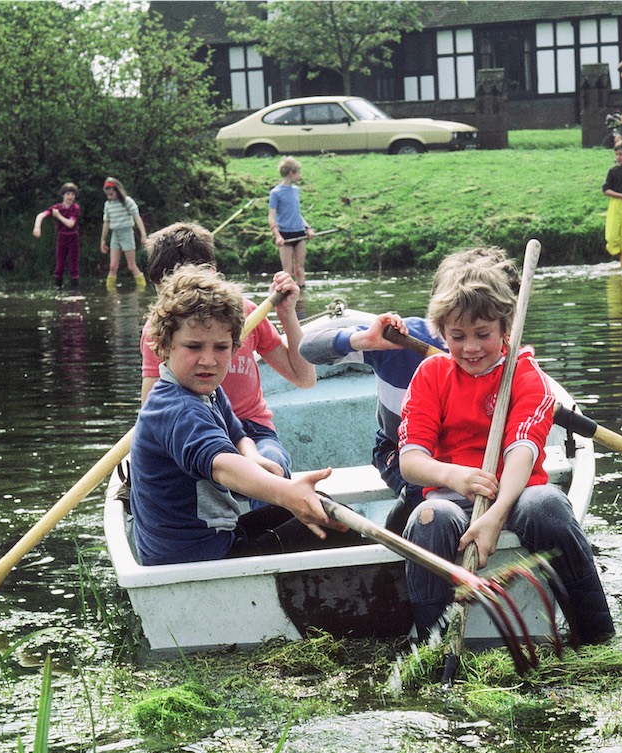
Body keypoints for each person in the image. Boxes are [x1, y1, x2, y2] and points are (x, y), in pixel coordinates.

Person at [396, 253, 615, 646]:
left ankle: (597, 637)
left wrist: (496, 516)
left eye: (483, 334)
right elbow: (411, 461)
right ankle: (431, 648)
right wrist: (454, 476)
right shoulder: (430, 375)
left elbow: (522, 451)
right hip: (454, 498)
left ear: (505, 327)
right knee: (429, 517)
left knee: (547, 506)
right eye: (457, 336)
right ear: (441, 333)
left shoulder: (525, 374)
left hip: (519, 495)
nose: (471, 348)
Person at [129, 265, 348, 566]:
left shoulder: (208, 391)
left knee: (324, 507)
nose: (208, 360)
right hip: (194, 561)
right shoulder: (175, 408)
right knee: (333, 530)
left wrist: (254, 457)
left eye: (221, 347)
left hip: (218, 538)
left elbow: (237, 435)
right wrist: (286, 493)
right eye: (193, 347)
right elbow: (221, 466)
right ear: (165, 347)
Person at [299, 247, 517, 532]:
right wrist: (363, 339)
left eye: (483, 328)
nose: (471, 346)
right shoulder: (400, 341)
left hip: (479, 450)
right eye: (459, 331)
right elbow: (307, 349)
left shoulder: (507, 356)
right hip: (401, 450)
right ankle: (393, 545)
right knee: (423, 489)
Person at [139, 222, 315, 484]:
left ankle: (268, 522)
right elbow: (151, 412)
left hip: (252, 430)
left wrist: (287, 315)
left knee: (271, 465)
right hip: (194, 428)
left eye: (221, 346)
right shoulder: (161, 330)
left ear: (210, 274)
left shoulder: (245, 314)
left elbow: (305, 378)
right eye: (163, 292)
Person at [268, 156, 314, 299]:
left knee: (300, 268)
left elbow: (297, 213)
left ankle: (302, 297)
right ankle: (287, 299)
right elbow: (271, 216)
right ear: (290, 173)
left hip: (299, 233)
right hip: (285, 235)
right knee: (287, 271)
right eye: (298, 173)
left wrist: (308, 228)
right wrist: (277, 236)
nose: (300, 176)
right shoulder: (275, 193)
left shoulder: (296, 190)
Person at [99, 177, 147, 290]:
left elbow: (137, 217)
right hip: (115, 235)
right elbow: (106, 223)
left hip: (127, 234)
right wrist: (103, 240)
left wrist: (143, 235)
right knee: (112, 267)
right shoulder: (108, 205)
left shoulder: (127, 201)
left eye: (111, 194)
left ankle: (142, 290)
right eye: (107, 195)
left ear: (117, 191)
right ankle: (110, 293)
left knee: (131, 266)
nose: (109, 196)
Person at [33, 182, 81, 289]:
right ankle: (58, 289)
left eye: (73, 194)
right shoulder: (57, 207)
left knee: (73, 267)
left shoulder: (75, 208)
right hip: (61, 237)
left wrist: (58, 216)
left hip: (73, 237)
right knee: (59, 266)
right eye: (68, 194)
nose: (70, 197)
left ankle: (75, 291)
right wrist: (37, 227)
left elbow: (70, 224)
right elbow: (41, 215)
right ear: (63, 195)